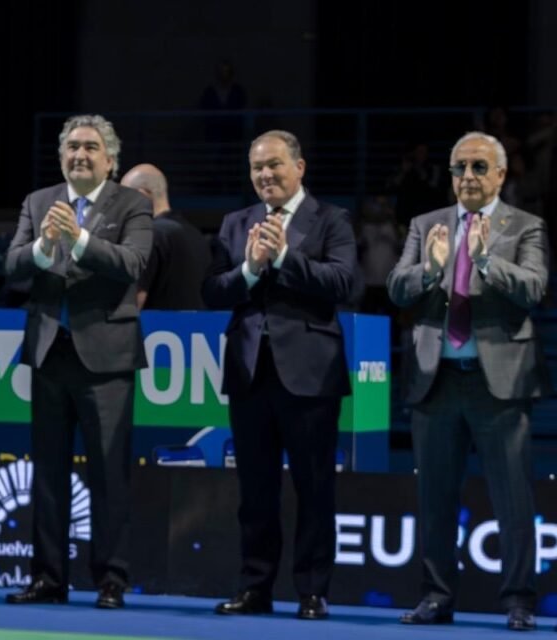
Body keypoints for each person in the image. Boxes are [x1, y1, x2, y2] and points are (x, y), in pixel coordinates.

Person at [386, 132, 549, 632]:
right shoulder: (426, 224)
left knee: (513, 500)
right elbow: (396, 288)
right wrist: (430, 271)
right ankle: (437, 597)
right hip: (436, 382)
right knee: (434, 499)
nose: (469, 177)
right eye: (460, 168)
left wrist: (483, 260)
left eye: (480, 167)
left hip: (497, 384)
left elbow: (534, 289)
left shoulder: (526, 226)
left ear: (501, 174)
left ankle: (519, 601)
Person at [201, 130, 356, 622]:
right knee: (255, 490)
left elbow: (343, 284)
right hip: (249, 373)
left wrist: (286, 258)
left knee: (314, 488)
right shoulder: (234, 223)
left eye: (274, 165)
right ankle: (255, 588)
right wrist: (249, 269)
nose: (265, 175)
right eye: (257, 168)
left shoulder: (332, 220)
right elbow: (211, 290)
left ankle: (312, 591)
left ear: (300, 167)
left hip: (310, 374)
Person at [3, 115, 153, 610]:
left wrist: (81, 240)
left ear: (111, 159)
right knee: (47, 473)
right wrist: (47, 245)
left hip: (107, 358)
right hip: (49, 352)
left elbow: (133, 264)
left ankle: (111, 579)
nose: (79, 155)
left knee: (109, 474)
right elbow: (13, 265)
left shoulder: (133, 203)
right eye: (72, 147)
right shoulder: (38, 201)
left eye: (90, 147)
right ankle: (49, 577)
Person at [119, 164, 209, 310]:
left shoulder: (147, 234)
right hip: (197, 331)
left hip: (153, 331)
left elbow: (132, 305)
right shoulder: (196, 235)